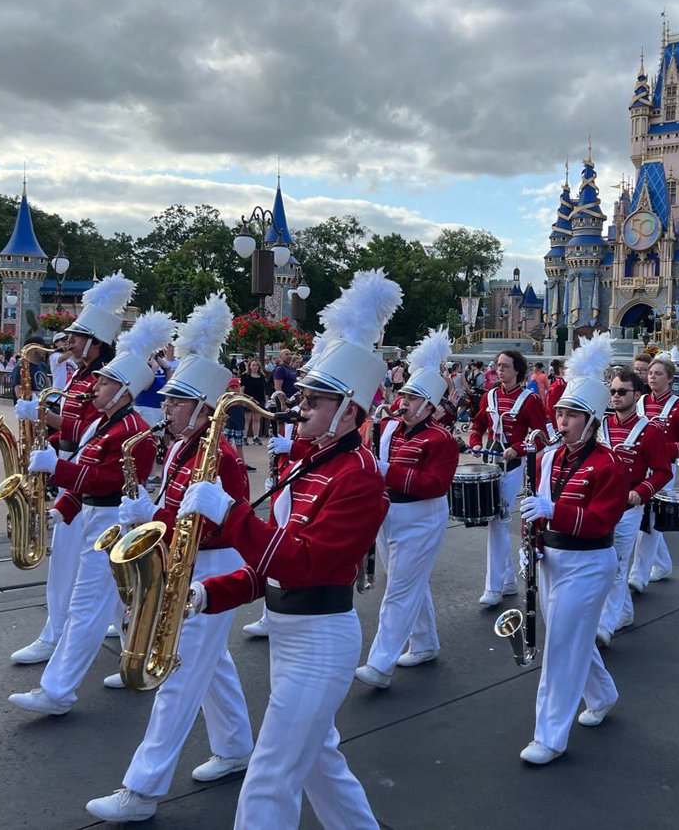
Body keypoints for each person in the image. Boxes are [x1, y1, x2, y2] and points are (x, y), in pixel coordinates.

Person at [177, 269, 402, 830]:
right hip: (289, 631)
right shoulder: (311, 464)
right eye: (303, 396)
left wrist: (229, 513)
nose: (299, 406)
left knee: (270, 773)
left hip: (321, 640)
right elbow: (271, 566)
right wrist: (208, 593)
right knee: (320, 763)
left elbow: (300, 564)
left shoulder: (359, 476)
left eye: (314, 400)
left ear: (348, 411)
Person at [84, 295, 254, 823]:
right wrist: (147, 511)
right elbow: (178, 509)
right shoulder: (182, 446)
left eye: (178, 401)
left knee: (177, 675)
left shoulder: (222, 455)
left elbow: (216, 523)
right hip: (189, 559)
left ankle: (142, 791)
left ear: (203, 409)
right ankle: (235, 746)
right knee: (211, 664)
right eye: (171, 399)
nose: (168, 408)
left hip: (212, 565)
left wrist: (156, 527)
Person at [10, 308, 174, 716]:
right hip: (93, 516)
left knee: (85, 606)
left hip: (111, 521)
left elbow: (105, 481)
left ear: (123, 391)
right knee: (117, 600)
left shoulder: (132, 431)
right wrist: (62, 508)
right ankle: (143, 660)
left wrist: (57, 469)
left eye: (104, 383)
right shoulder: (104, 423)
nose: (95, 387)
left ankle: (57, 691)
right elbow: (86, 469)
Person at [9, 272, 137, 666]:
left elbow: (90, 430)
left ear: (95, 343)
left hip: (84, 471)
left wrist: (41, 416)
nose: (68, 342)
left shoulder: (103, 378)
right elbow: (73, 428)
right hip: (69, 464)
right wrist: (45, 441)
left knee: (68, 561)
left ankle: (56, 634)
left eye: (76, 337)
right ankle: (125, 629)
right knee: (95, 561)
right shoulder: (81, 374)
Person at [515, 332, 630, 765]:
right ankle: (602, 694)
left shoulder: (609, 464)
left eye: (571, 416)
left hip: (589, 563)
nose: (561, 422)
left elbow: (601, 521)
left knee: (561, 647)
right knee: (572, 638)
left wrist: (554, 511)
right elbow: (535, 510)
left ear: (592, 421)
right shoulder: (547, 458)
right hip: (552, 558)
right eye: (560, 413)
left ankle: (549, 736)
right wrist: (531, 543)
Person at [355, 328, 458, 689]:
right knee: (409, 582)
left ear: (430, 406)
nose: (404, 403)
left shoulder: (441, 439)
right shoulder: (389, 429)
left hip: (421, 516)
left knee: (399, 589)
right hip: (389, 513)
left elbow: (435, 485)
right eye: (404, 395)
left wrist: (388, 472)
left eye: (413, 398)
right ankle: (425, 642)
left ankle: (380, 663)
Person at [596, 368, 672, 645]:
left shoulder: (650, 431)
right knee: (605, 561)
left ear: (637, 395)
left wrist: (641, 492)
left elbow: (663, 472)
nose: (615, 396)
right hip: (600, 505)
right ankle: (624, 612)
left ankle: (605, 626)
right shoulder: (600, 426)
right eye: (612, 391)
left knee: (616, 563)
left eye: (622, 392)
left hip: (629, 508)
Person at [468, 350, 549, 606]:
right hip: (490, 463)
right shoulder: (489, 395)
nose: (499, 370)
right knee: (496, 523)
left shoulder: (530, 400)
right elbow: (478, 425)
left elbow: (541, 437)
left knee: (498, 522)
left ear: (518, 371)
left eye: (505, 366)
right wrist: (474, 441)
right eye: (498, 365)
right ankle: (509, 581)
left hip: (513, 466)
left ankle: (493, 587)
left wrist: (518, 448)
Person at [628, 356, 679, 591]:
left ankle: (638, 576)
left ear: (669, 379)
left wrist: (660, 449)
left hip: (663, 468)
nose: (652, 377)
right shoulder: (639, 402)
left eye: (658, 373)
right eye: (650, 373)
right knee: (642, 516)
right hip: (637, 467)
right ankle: (663, 564)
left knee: (650, 519)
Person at [241, 359, 268, 444]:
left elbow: (265, 390)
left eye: (256, 365)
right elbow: (242, 389)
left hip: (259, 400)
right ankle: (244, 437)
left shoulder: (262, 377)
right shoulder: (245, 376)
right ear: (249, 366)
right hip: (248, 399)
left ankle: (256, 437)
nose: (255, 367)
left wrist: (266, 401)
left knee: (257, 419)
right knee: (247, 419)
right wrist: (243, 399)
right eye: (253, 365)